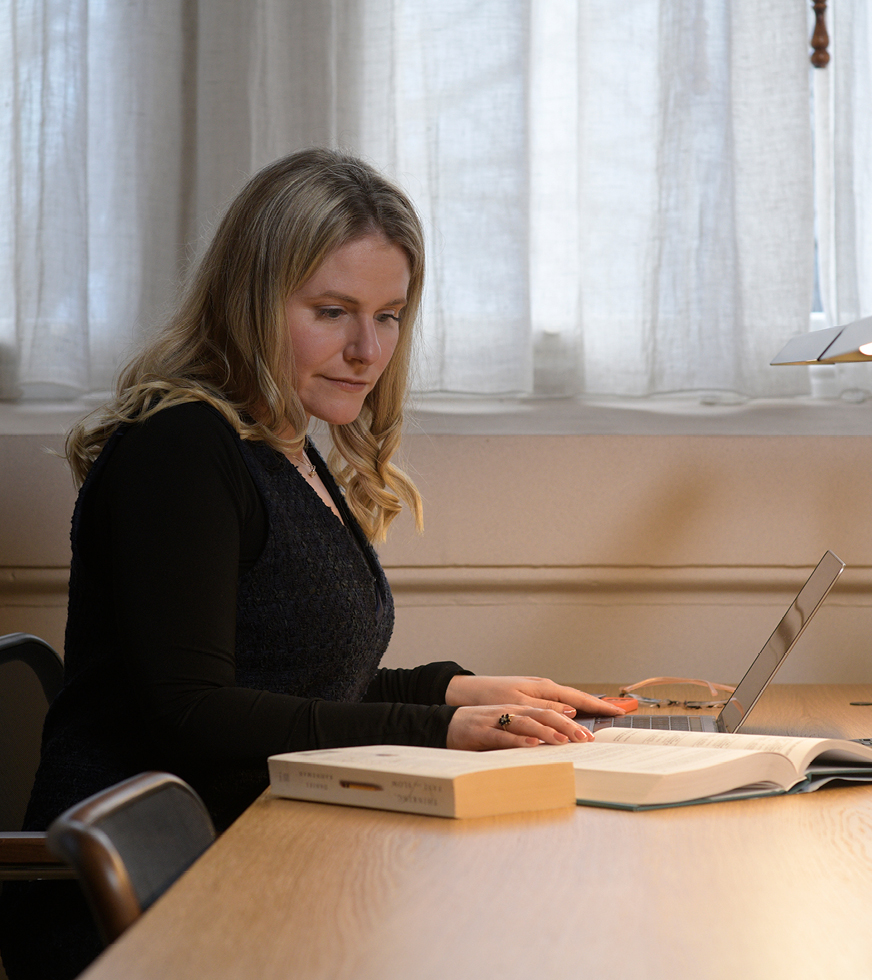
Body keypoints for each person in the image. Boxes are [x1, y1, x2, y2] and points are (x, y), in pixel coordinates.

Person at [0, 148, 621, 980]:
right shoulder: (181, 450)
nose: (368, 349)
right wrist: (436, 729)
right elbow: (192, 712)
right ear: (250, 301)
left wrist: (451, 688)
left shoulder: (285, 441)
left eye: (390, 315)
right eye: (332, 311)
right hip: (151, 901)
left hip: (256, 851)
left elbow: (289, 679)